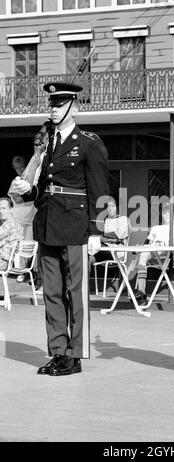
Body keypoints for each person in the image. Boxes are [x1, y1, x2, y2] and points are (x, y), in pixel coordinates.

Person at [12, 81, 109, 376]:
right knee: (52, 293)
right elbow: (43, 188)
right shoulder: (47, 143)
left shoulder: (89, 142)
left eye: (59, 105)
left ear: (74, 107)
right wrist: (26, 190)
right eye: (51, 105)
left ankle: (75, 355)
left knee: (75, 294)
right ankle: (57, 351)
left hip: (76, 226)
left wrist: (96, 231)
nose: (53, 111)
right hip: (47, 224)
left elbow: (100, 189)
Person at [134, 202, 174, 304]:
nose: (167, 214)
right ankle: (141, 291)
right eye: (165, 212)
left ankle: (148, 247)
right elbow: (150, 248)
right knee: (143, 255)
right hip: (155, 254)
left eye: (170, 212)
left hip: (171, 256)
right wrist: (152, 247)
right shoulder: (156, 228)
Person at [9, 155, 37, 283]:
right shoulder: (15, 182)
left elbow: (32, 196)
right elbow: (17, 198)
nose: (20, 170)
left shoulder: (33, 180)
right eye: (17, 168)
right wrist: (27, 195)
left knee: (31, 247)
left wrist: (26, 194)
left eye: (22, 167)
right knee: (19, 247)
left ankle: (34, 273)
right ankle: (20, 271)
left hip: (32, 218)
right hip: (19, 219)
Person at [89, 196, 130, 267]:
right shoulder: (105, 220)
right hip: (102, 248)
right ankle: (85, 276)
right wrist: (101, 238)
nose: (110, 209)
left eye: (112, 206)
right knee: (88, 256)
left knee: (91, 244)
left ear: (117, 208)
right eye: (108, 206)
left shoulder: (123, 219)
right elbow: (101, 237)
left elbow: (118, 235)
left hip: (115, 252)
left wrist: (101, 237)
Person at [0, 197, 23, 271]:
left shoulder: (9, 225)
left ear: (11, 210)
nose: (1, 211)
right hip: (7, 261)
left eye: (4, 208)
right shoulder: (17, 225)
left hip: (3, 261)